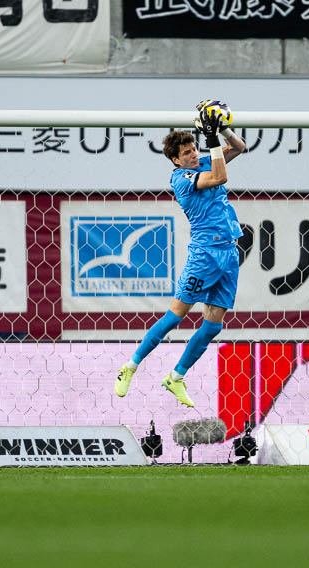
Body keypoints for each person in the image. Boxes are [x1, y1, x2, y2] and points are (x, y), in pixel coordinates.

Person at [115, 100, 247, 407]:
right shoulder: (181, 179)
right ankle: (130, 366)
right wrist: (211, 138)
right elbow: (220, 177)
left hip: (229, 253)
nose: (193, 154)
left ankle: (176, 376)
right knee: (176, 316)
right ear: (175, 160)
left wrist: (221, 129)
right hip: (204, 255)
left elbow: (239, 147)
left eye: (194, 148)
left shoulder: (204, 162)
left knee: (213, 325)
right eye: (187, 153)